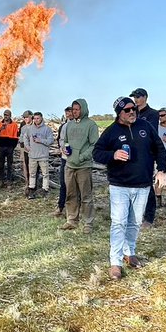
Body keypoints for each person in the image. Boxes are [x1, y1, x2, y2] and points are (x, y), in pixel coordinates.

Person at [94, 96, 166, 279]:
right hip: (120, 185)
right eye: (127, 110)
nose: (132, 112)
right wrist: (113, 154)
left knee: (134, 222)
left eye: (133, 108)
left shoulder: (145, 126)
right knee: (119, 222)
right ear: (119, 113)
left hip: (142, 184)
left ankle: (129, 252)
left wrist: (162, 170)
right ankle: (115, 262)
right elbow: (97, 152)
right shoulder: (111, 131)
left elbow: (159, 148)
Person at [60, 98, 99, 232]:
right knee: (71, 194)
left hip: (83, 166)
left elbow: (94, 145)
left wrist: (82, 157)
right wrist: (65, 149)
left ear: (83, 109)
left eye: (77, 109)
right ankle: (72, 220)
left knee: (86, 196)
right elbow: (66, 141)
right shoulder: (69, 125)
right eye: (73, 110)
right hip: (70, 165)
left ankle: (88, 223)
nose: (74, 112)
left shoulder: (91, 125)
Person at [129, 88, 160, 226]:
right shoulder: (131, 112)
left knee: (147, 184)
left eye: (138, 96)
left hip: (146, 153)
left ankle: (149, 217)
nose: (136, 99)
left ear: (145, 98)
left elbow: (149, 132)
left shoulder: (152, 114)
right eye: (134, 97)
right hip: (132, 152)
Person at [26, 112, 55, 200]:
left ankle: (45, 189)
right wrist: (27, 147)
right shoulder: (30, 128)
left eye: (38, 118)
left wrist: (41, 140)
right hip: (32, 155)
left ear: (41, 118)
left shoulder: (47, 129)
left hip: (43, 156)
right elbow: (25, 137)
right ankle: (31, 189)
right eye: (34, 118)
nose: (36, 120)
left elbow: (51, 141)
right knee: (32, 174)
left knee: (45, 174)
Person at [53, 106, 73, 218]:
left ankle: (74, 208)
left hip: (74, 160)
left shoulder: (77, 126)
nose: (68, 115)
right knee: (63, 183)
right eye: (67, 113)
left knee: (74, 185)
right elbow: (59, 140)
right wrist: (61, 148)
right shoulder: (63, 127)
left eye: (70, 112)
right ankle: (60, 207)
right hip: (65, 158)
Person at [0, 110, 20, 187]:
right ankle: (1, 180)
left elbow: (16, 137)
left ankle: (9, 180)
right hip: (1, 146)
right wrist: (1, 128)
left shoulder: (14, 125)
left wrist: (13, 146)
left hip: (10, 147)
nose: (6, 116)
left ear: (10, 115)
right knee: (1, 164)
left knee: (10, 164)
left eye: (7, 115)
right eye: (5, 115)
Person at [19, 110, 35, 192]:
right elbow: (21, 139)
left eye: (26, 117)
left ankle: (34, 185)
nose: (25, 119)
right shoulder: (23, 126)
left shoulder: (36, 125)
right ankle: (28, 184)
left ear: (31, 117)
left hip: (35, 150)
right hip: (25, 149)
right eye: (24, 117)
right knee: (26, 166)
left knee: (34, 167)